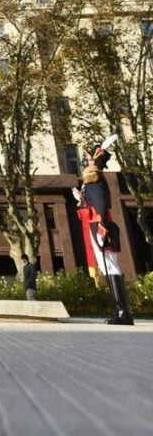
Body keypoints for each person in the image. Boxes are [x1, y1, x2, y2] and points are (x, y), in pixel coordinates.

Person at [80, 139, 134, 326]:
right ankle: (121, 312)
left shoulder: (93, 177)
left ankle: (122, 313)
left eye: (88, 157)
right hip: (99, 225)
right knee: (109, 267)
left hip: (100, 227)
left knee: (111, 267)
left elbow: (101, 205)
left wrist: (102, 229)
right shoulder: (93, 178)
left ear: (95, 160)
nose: (86, 160)